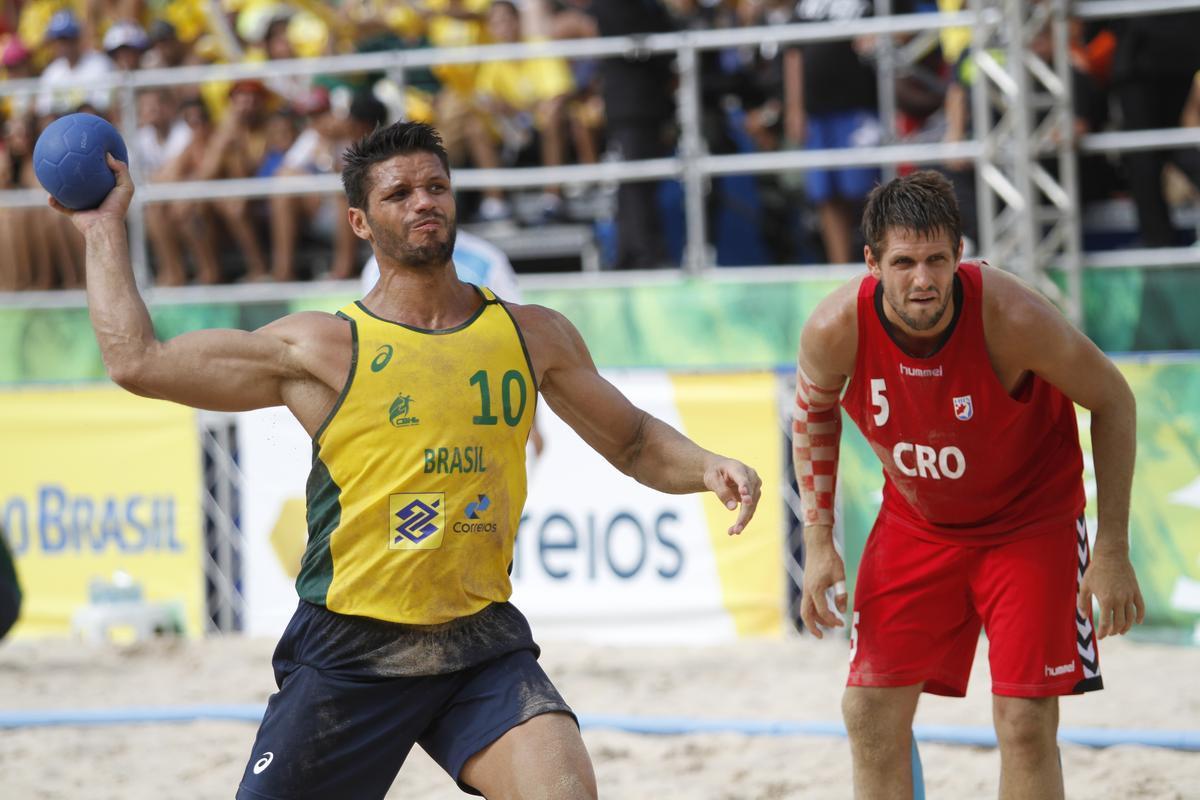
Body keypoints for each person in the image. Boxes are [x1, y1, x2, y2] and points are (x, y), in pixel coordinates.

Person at [52, 120, 761, 800]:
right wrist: (104, 227)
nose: (423, 201)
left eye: (435, 187)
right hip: (350, 651)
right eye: (398, 193)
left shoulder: (531, 334)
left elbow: (633, 440)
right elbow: (138, 362)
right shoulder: (322, 347)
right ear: (360, 222)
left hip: (479, 642)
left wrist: (704, 466)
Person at [793, 171, 1144, 800]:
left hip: (1030, 524)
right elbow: (814, 414)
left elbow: (1114, 400)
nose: (922, 279)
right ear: (871, 262)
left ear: (961, 255)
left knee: (1025, 722)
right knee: (868, 712)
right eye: (903, 262)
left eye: (935, 260)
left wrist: (1111, 548)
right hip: (916, 522)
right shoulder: (832, 329)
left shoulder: (1012, 316)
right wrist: (818, 540)